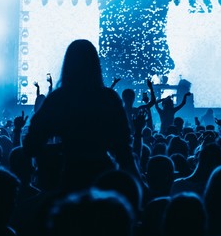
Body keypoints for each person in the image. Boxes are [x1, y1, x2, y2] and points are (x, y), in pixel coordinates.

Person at [23, 39, 137, 191]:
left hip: (70, 179)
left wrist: (57, 153)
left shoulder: (58, 99)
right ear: (95, 65)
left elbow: (31, 145)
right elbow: (124, 150)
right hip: (104, 180)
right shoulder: (108, 98)